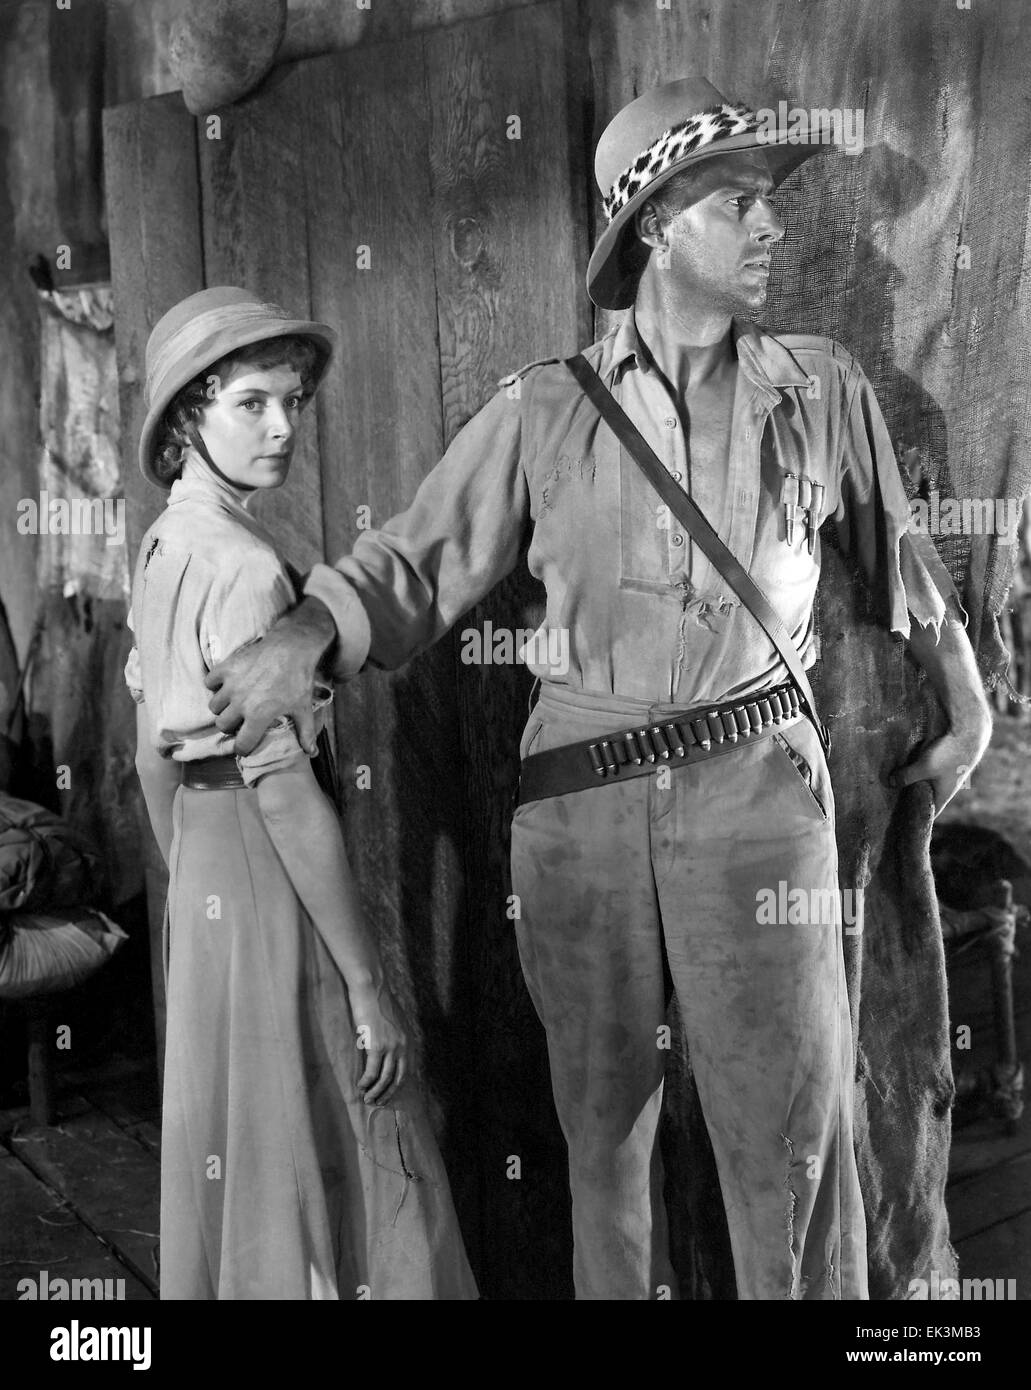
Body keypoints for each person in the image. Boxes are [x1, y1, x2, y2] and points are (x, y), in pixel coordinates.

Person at [202, 78, 992, 1299]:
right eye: (738, 203)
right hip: (578, 812)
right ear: (656, 225)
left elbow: (900, 557)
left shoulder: (820, 390)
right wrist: (305, 631)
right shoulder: (545, 411)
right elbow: (414, 559)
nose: (770, 225)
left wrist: (967, 694)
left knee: (790, 1143)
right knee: (601, 1145)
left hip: (754, 799)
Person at [125, 287, 477, 1300]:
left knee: (248, 1135)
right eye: (250, 402)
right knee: (354, 1113)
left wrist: (194, 874)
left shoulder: (161, 543)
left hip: (204, 871)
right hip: (270, 870)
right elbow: (282, 796)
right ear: (190, 415)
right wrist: (371, 987)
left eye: (292, 401)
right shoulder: (243, 569)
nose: (282, 425)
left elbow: (152, 751)